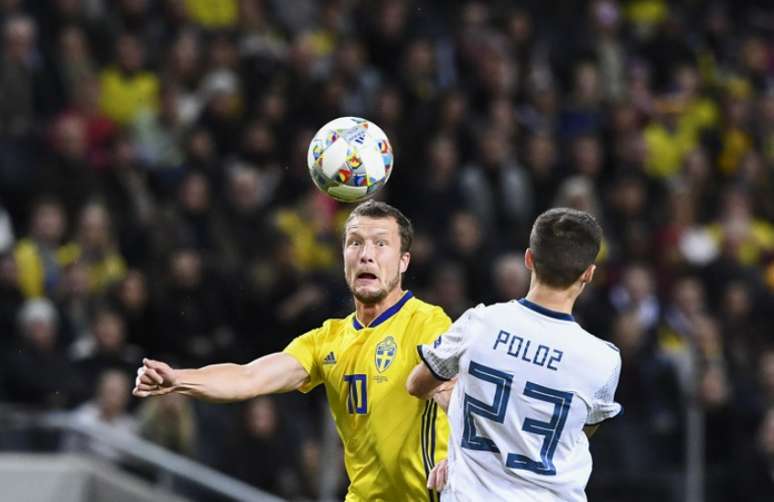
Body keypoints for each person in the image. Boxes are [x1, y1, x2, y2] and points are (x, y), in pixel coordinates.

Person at [134, 200, 451, 501]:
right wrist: (178, 379)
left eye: (381, 244)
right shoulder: (326, 341)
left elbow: (458, 391)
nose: (366, 254)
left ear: (403, 260)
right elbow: (249, 377)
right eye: (355, 242)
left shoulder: (428, 324)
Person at [407, 208, 622, 501]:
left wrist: (454, 395)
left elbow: (416, 385)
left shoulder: (479, 323)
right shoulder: (603, 360)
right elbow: (580, 429)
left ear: (528, 259)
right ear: (589, 273)